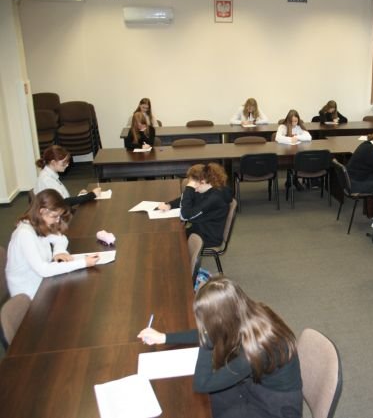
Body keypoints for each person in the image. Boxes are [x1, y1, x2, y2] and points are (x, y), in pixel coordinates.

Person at [137, 277, 302, 418]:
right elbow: (213, 332)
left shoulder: (254, 350)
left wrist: (205, 339)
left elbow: (202, 384)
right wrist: (164, 337)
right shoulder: (247, 313)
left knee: (209, 405)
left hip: (276, 407)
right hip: (255, 382)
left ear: (222, 318)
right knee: (211, 401)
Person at [6, 189, 99, 299]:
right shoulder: (25, 234)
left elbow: (61, 238)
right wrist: (83, 263)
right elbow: (43, 270)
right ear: (42, 211)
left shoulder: (38, 223)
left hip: (42, 283)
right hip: (28, 294)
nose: (57, 221)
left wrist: (59, 252)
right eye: (55, 216)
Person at [157, 163, 233, 248]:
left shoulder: (215, 198)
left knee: (168, 242)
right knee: (167, 235)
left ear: (203, 182)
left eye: (195, 187)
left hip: (207, 237)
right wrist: (170, 205)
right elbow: (187, 199)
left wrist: (189, 189)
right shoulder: (206, 188)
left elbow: (185, 216)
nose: (195, 190)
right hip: (198, 229)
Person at [34, 145, 101, 206]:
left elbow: (63, 198)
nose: (67, 165)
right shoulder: (47, 180)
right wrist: (91, 195)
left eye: (67, 162)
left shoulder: (49, 174)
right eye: (64, 163)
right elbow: (65, 202)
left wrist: (80, 197)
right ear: (53, 162)